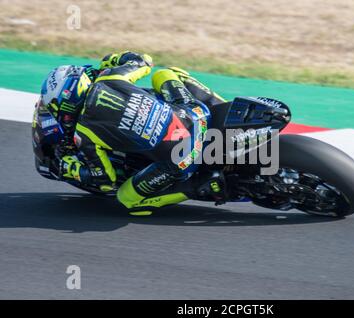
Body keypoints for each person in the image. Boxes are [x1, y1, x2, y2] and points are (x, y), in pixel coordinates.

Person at [40, 51, 226, 215]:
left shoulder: (83, 134)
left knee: (127, 199)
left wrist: (73, 169)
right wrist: (114, 60)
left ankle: (196, 186)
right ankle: (224, 111)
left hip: (184, 157)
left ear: (66, 106)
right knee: (166, 74)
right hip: (195, 113)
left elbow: (104, 180)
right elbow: (143, 60)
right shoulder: (110, 77)